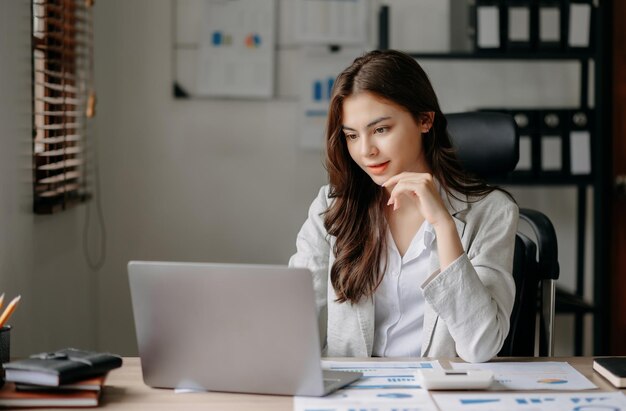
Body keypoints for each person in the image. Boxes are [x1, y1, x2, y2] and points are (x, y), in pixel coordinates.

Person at [289, 49, 518, 363]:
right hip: (351, 394)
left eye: (381, 129)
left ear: (424, 120)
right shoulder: (332, 206)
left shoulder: (492, 212)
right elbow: (291, 307)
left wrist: (443, 225)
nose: (366, 150)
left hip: (436, 396)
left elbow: (480, 346)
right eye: (352, 136)